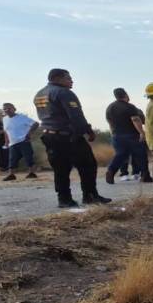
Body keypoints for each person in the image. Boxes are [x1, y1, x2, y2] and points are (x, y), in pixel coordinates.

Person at [33, 68, 111, 207]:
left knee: (60, 169)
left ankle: (64, 199)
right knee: (88, 165)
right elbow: (76, 116)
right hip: (67, 136)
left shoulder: (40, 94)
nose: (71, 81)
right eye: (68, 78)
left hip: (49, 136)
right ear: (58, 78)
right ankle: (90, 195)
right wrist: (88, 132)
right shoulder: (64, 93)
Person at [105, 88, 152, 184]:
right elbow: (135, 119)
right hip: (131, 135)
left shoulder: (110, 107)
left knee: (121, 155)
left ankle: (111, 171)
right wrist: (142, 132)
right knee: (141, 155)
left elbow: (110, 123)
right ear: (125, 95)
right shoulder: (129, 107)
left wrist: (113, 133)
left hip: (116, 135)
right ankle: (145, 176)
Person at [2, 103, 40, 181]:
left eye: (9, 108)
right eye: (5, 109)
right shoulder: (4, 119)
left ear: (14, 109)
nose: (7, 110)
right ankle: (11, 175)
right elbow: (6, 131)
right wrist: (6, 142)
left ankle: (32, 173)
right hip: (12, 143)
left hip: (23, 141)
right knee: (12, 159)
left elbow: (36, 124)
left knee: (28, 157)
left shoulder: (22, 117)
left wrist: (29, 134)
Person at [0, 110, 7, 174]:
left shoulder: (4, 123)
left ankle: (7, 167)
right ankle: (2, 168)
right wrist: (3, 131)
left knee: (6, 153)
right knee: (0, 154)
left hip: (5, 141)